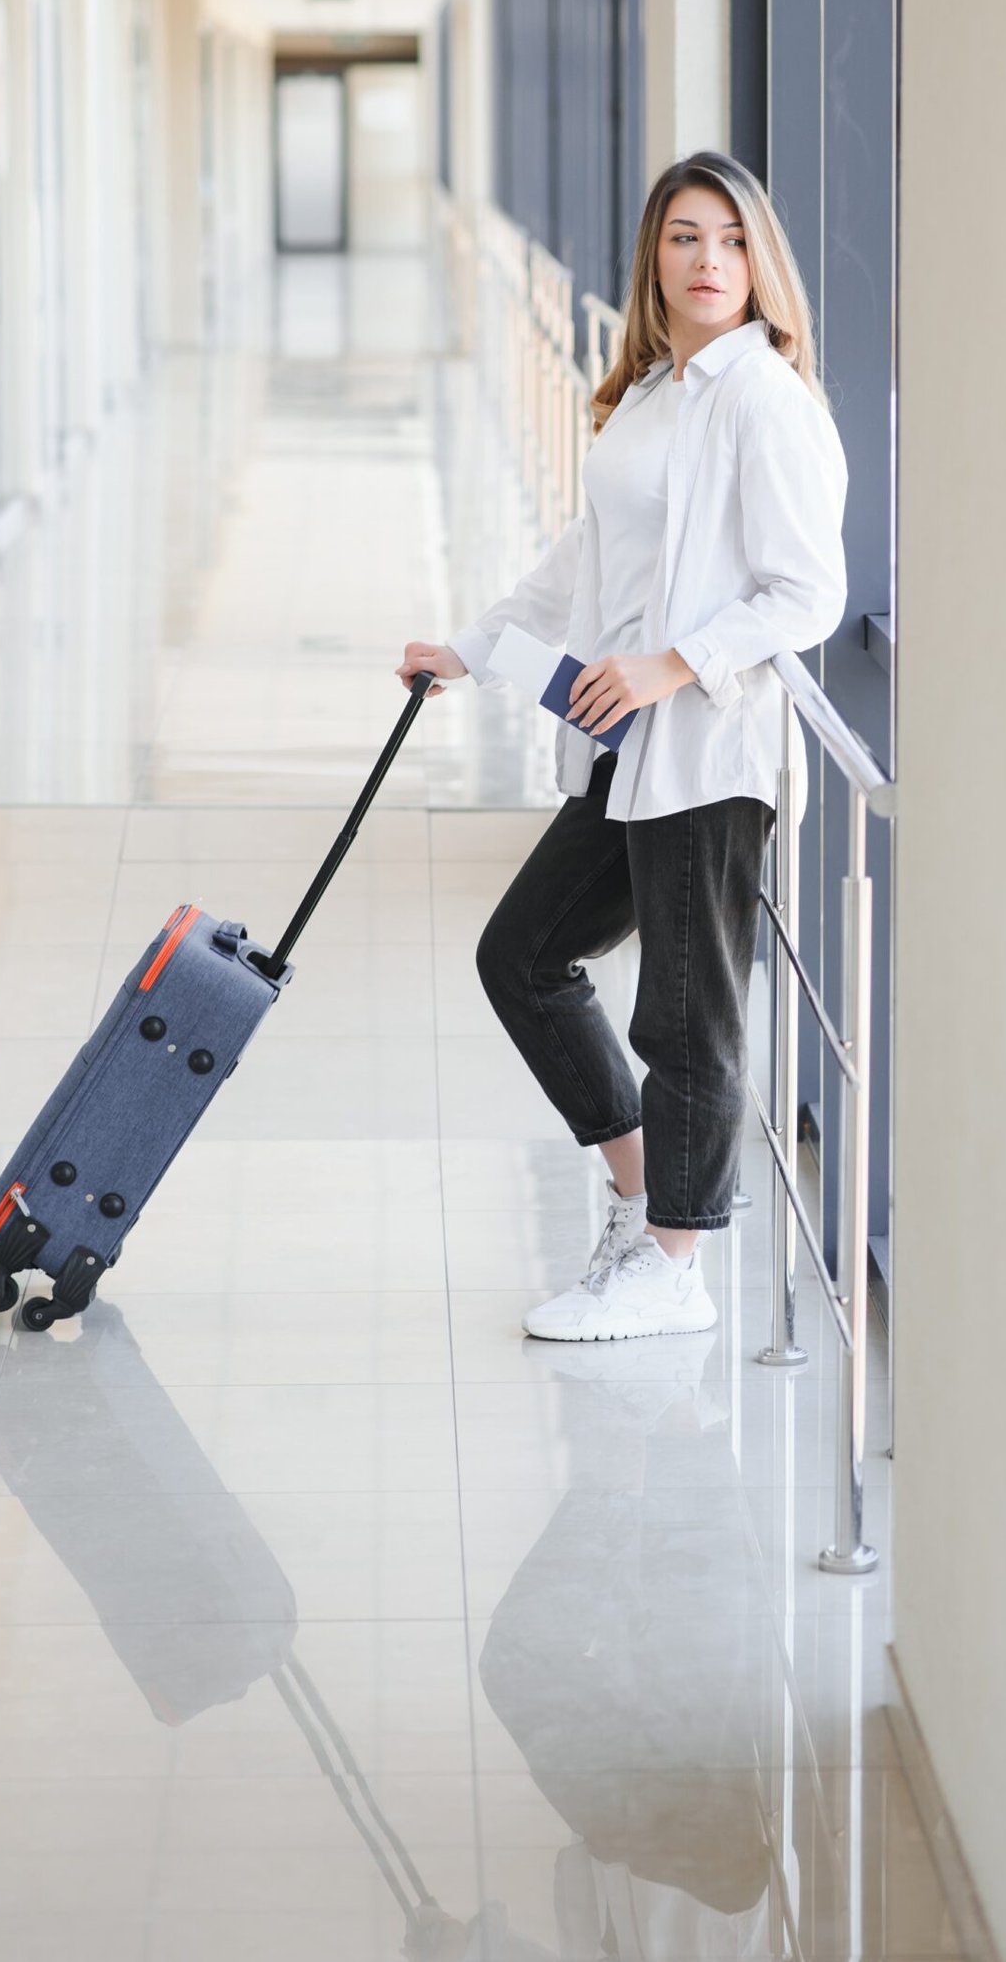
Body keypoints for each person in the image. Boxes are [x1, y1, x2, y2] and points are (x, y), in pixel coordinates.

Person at [398, 150, 848, 1341]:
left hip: (706, 753)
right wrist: (473, 643)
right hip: (625, 753)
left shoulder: (765, 400)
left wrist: (669, 663)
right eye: (685, 238)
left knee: (685, 1011)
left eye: (732, 242)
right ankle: (643, 1197)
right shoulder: (655, 390)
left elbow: (807, 592)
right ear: (653, 255)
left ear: (762, 264)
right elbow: (588, 557)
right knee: (524, 955)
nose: (708, 262)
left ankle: (676, 1267)